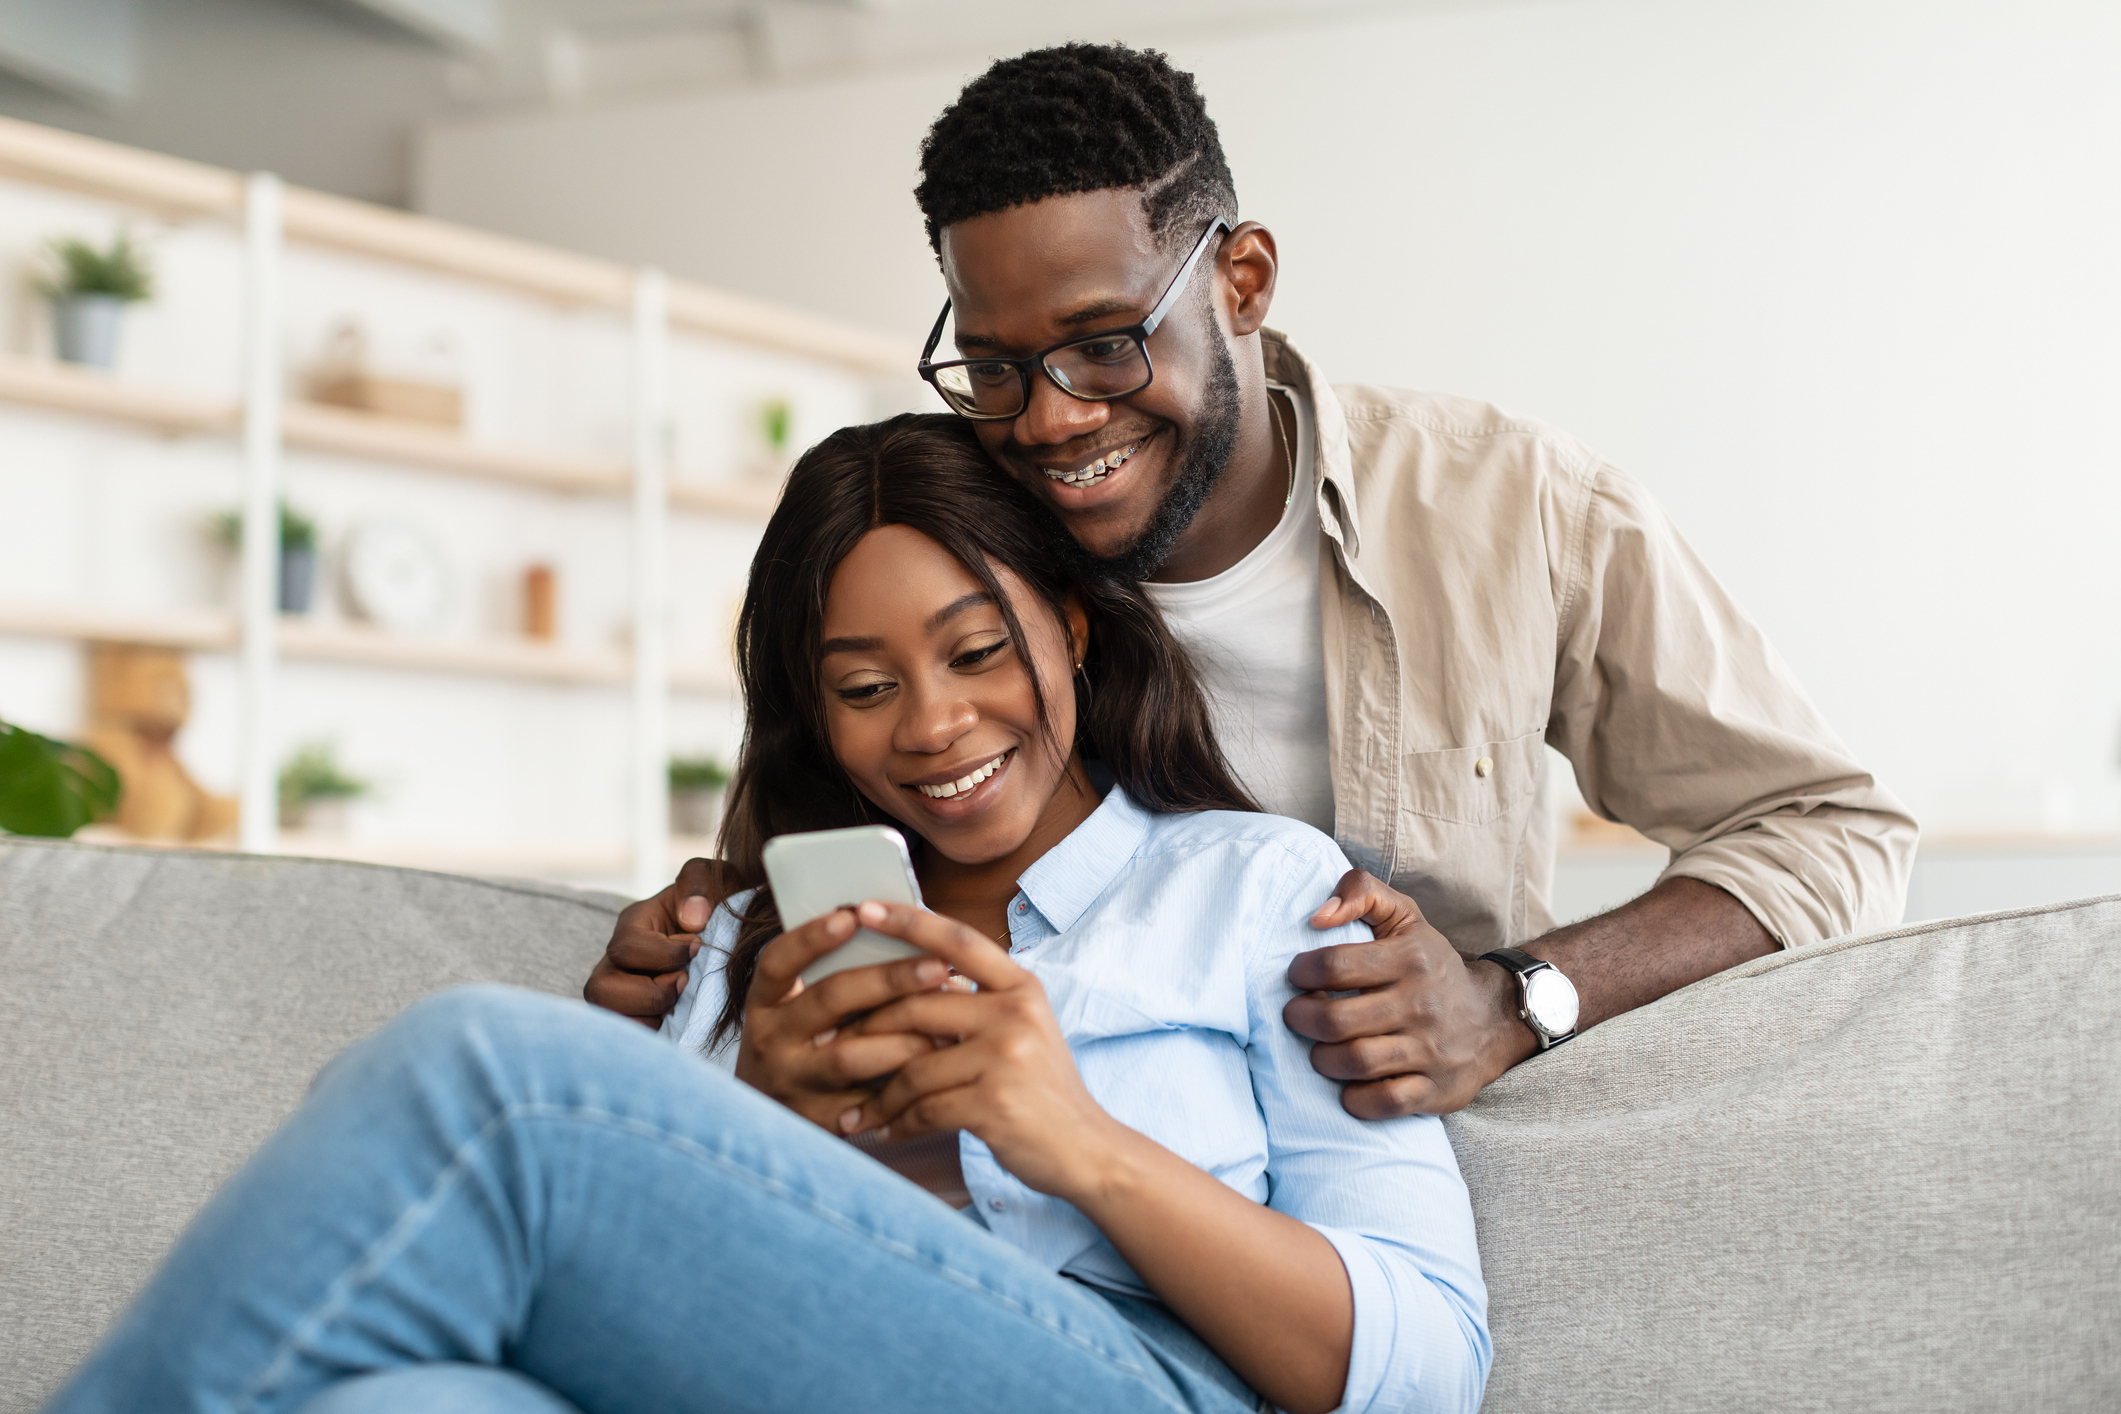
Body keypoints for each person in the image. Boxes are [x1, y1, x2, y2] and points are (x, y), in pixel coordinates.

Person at [44, 416, 1487, 1414]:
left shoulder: (1259, 890)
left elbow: (1428, 1364)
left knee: (488, 1077)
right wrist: (784, 1130)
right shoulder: (753, 948)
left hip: (1129, 1379)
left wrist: (1077, 1140)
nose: (933, 725)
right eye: (863, 687)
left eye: (977, 652)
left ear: (1073, 625)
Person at [588, 43, 1918, 1116]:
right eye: (994, 366)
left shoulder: (1508, 506)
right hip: (1045, 1188)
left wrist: (1515, 999)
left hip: (1380, 1178)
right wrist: (702, 940)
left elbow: (1828, 833)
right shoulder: (956, 526)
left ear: (1240, 278)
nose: (1049, 422)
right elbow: (816, 831)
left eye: (1104, 345)